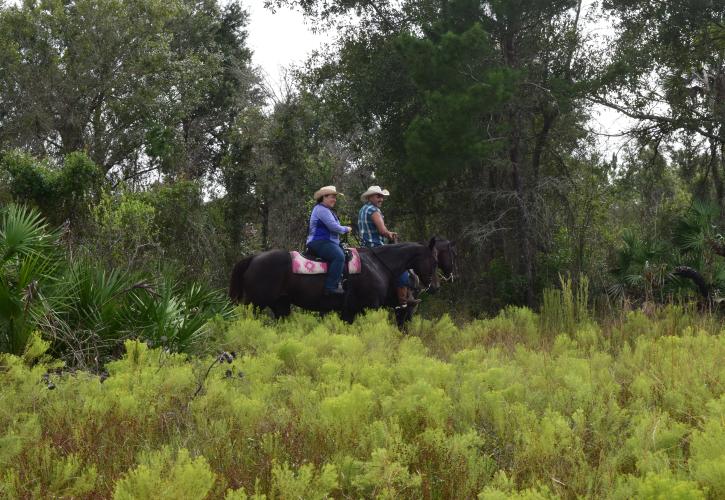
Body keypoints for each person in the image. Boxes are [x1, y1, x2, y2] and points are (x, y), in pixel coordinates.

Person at [358, 185, 420, 307]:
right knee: (402, 268)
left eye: (382, 197)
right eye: (378, 196)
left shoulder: (363, 209)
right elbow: (382, 230)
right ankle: (403, 300)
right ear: (370, 197)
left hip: (364, 247)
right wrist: (390, 234)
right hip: (377, 247)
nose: (381, 199)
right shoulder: (374, 210)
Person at [306, 186, 352, 295]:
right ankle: (330, 287)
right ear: (324, 197)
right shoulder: (321, 209)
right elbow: (333, 227)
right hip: (319, 241)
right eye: (332, 197)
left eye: (335, 197)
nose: (335, 200)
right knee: (339, 256)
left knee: (346, 255)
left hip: (327, 242)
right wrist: (346, 229)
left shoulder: (326, 210)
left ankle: (342, 281)